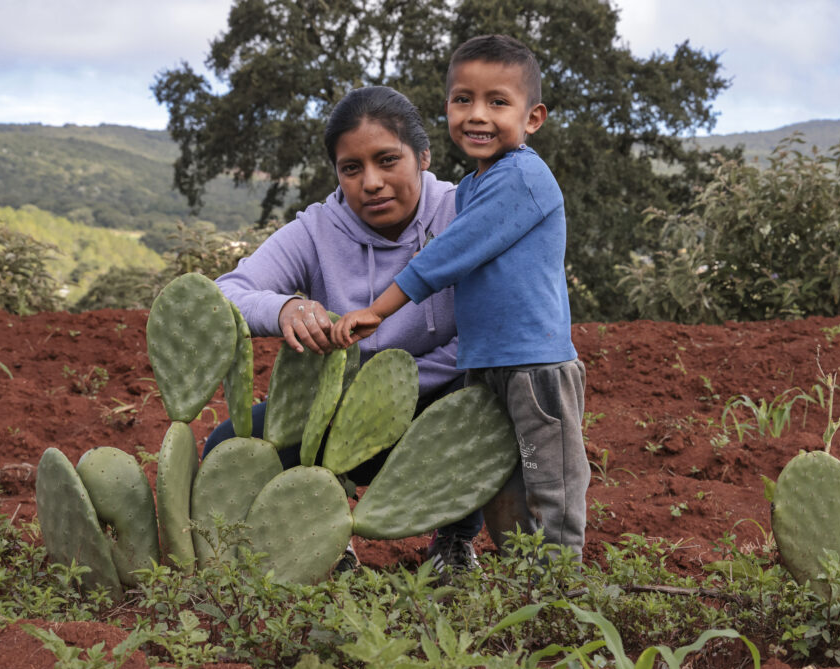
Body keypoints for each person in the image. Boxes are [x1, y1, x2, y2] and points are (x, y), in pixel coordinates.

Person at [207, 85, 483, 576]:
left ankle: (455, 541)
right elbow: (227, 291)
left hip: (441, 397)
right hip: (344, 409)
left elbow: (494, 325)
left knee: (492, 400)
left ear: (423, 156)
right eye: (351, 169)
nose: (370, 182)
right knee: (226, 445)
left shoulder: (464, 212)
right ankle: (326, 542)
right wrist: (286, 308)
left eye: (387, 160)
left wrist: (398, 385)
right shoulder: (317, 229)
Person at [332, 35, 589, 560]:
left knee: (551, 484)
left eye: (498, 102)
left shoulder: (524, 176)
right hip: (486, 362)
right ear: (446, 107)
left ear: (532, 117)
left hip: (534, 364)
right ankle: (522, 577)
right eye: (463, 99)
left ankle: (564, 591)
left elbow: (449, 255)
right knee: (494, 479)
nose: (478, 115)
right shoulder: (473, 186)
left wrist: (378, 310)